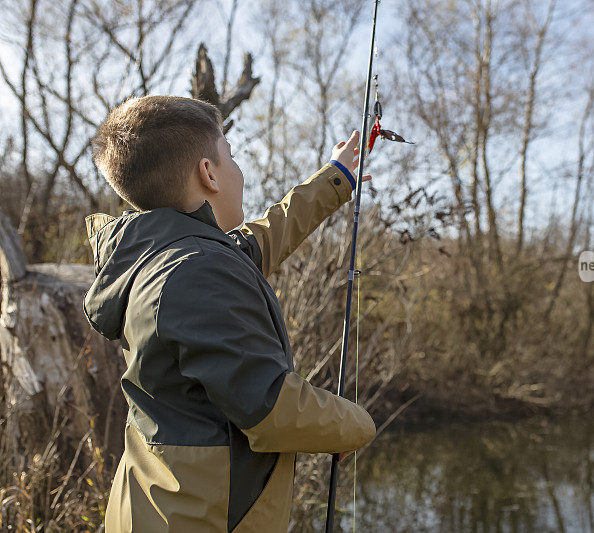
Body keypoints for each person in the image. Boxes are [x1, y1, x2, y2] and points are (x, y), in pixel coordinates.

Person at [82, 95, 376, 532]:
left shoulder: (160, 255)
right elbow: (271, 409)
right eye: (231, 157)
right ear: (208, 173)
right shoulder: (197, 270)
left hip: (151, 507)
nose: (240, 172)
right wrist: (357, 424)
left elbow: (259, 241)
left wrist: (335, 179)